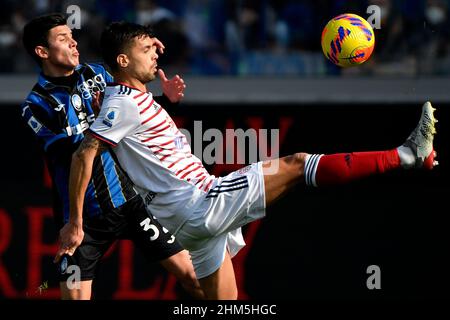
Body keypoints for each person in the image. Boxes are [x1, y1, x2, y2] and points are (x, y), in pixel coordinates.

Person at [69, 21, 438, 299]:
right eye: (147, 48)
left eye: (154, 46)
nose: (156, 53)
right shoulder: (122, 103)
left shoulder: (128, 100)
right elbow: (85, 152)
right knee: (296, 164)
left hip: (188, 224)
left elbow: (128, 128)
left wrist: (159, 94)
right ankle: (405, 155)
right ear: (122, 60)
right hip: (202, 203)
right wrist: (75, 221)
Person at [20, 14, 203, 300]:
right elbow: (75, 153)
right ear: (42, 52)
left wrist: (163, 98)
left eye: (73, 37)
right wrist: (100, 121)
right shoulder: (35, 105)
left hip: (130, 202)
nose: (73, 44)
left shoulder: (99, 74)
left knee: (195, 278)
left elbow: (133, 114)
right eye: (63, 39)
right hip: (83, 219)